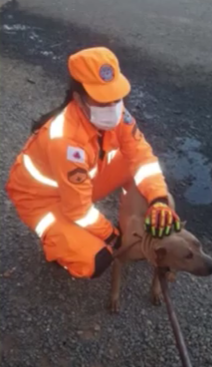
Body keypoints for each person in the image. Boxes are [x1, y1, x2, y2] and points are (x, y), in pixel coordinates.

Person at [5, 46, 181, 279]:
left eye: (116, 98)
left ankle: (125, 221)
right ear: (78, 98)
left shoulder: (116, 114)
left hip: (76, 186)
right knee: (96, 261)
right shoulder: (64, 139)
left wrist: (158, 200)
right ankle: (58, 248)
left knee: (134, 164)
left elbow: (142, 156)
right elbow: (78, 210)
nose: (113, 108)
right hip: (41, 200)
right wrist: (114, 237)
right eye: (102, 101)